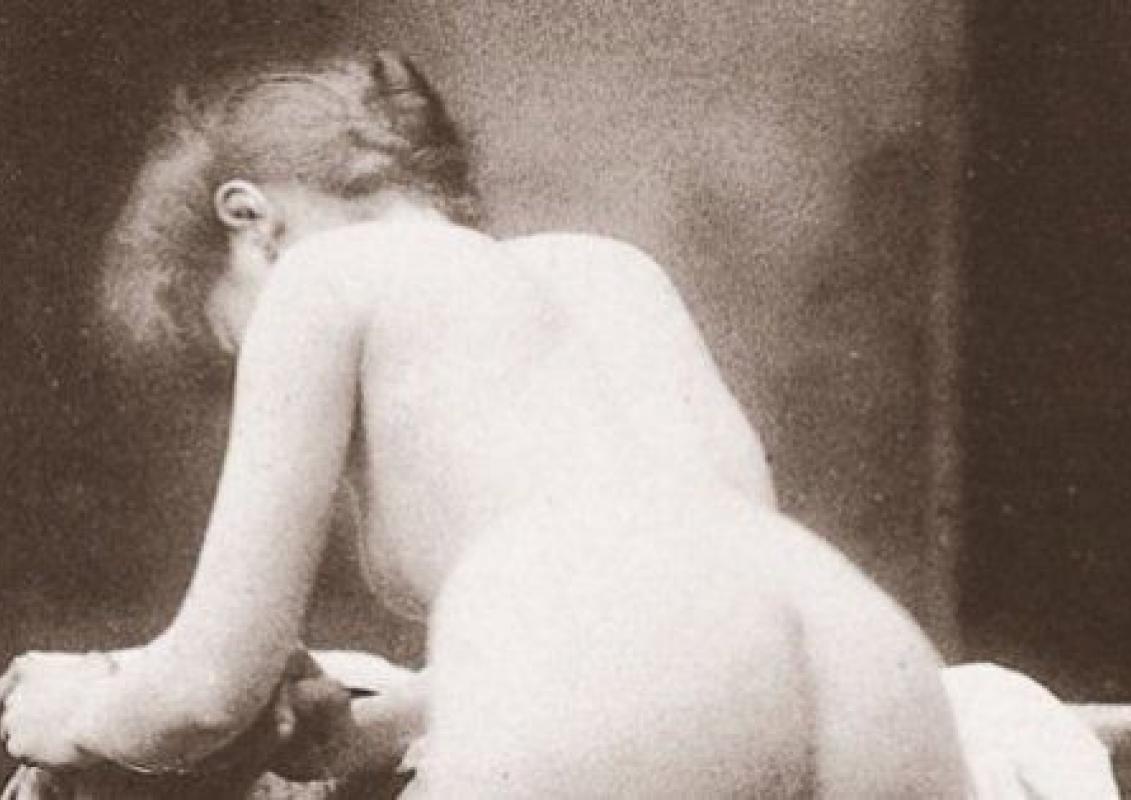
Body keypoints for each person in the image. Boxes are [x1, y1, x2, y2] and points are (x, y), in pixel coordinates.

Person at [0, 51, 971, 797]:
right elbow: (695, 624)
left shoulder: (316, 279)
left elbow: (207, 688)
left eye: (233, 342)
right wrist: (373, 722)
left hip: (622, 680)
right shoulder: (613, 270)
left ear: (251, 220)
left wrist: (76, 710)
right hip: (869, 660)